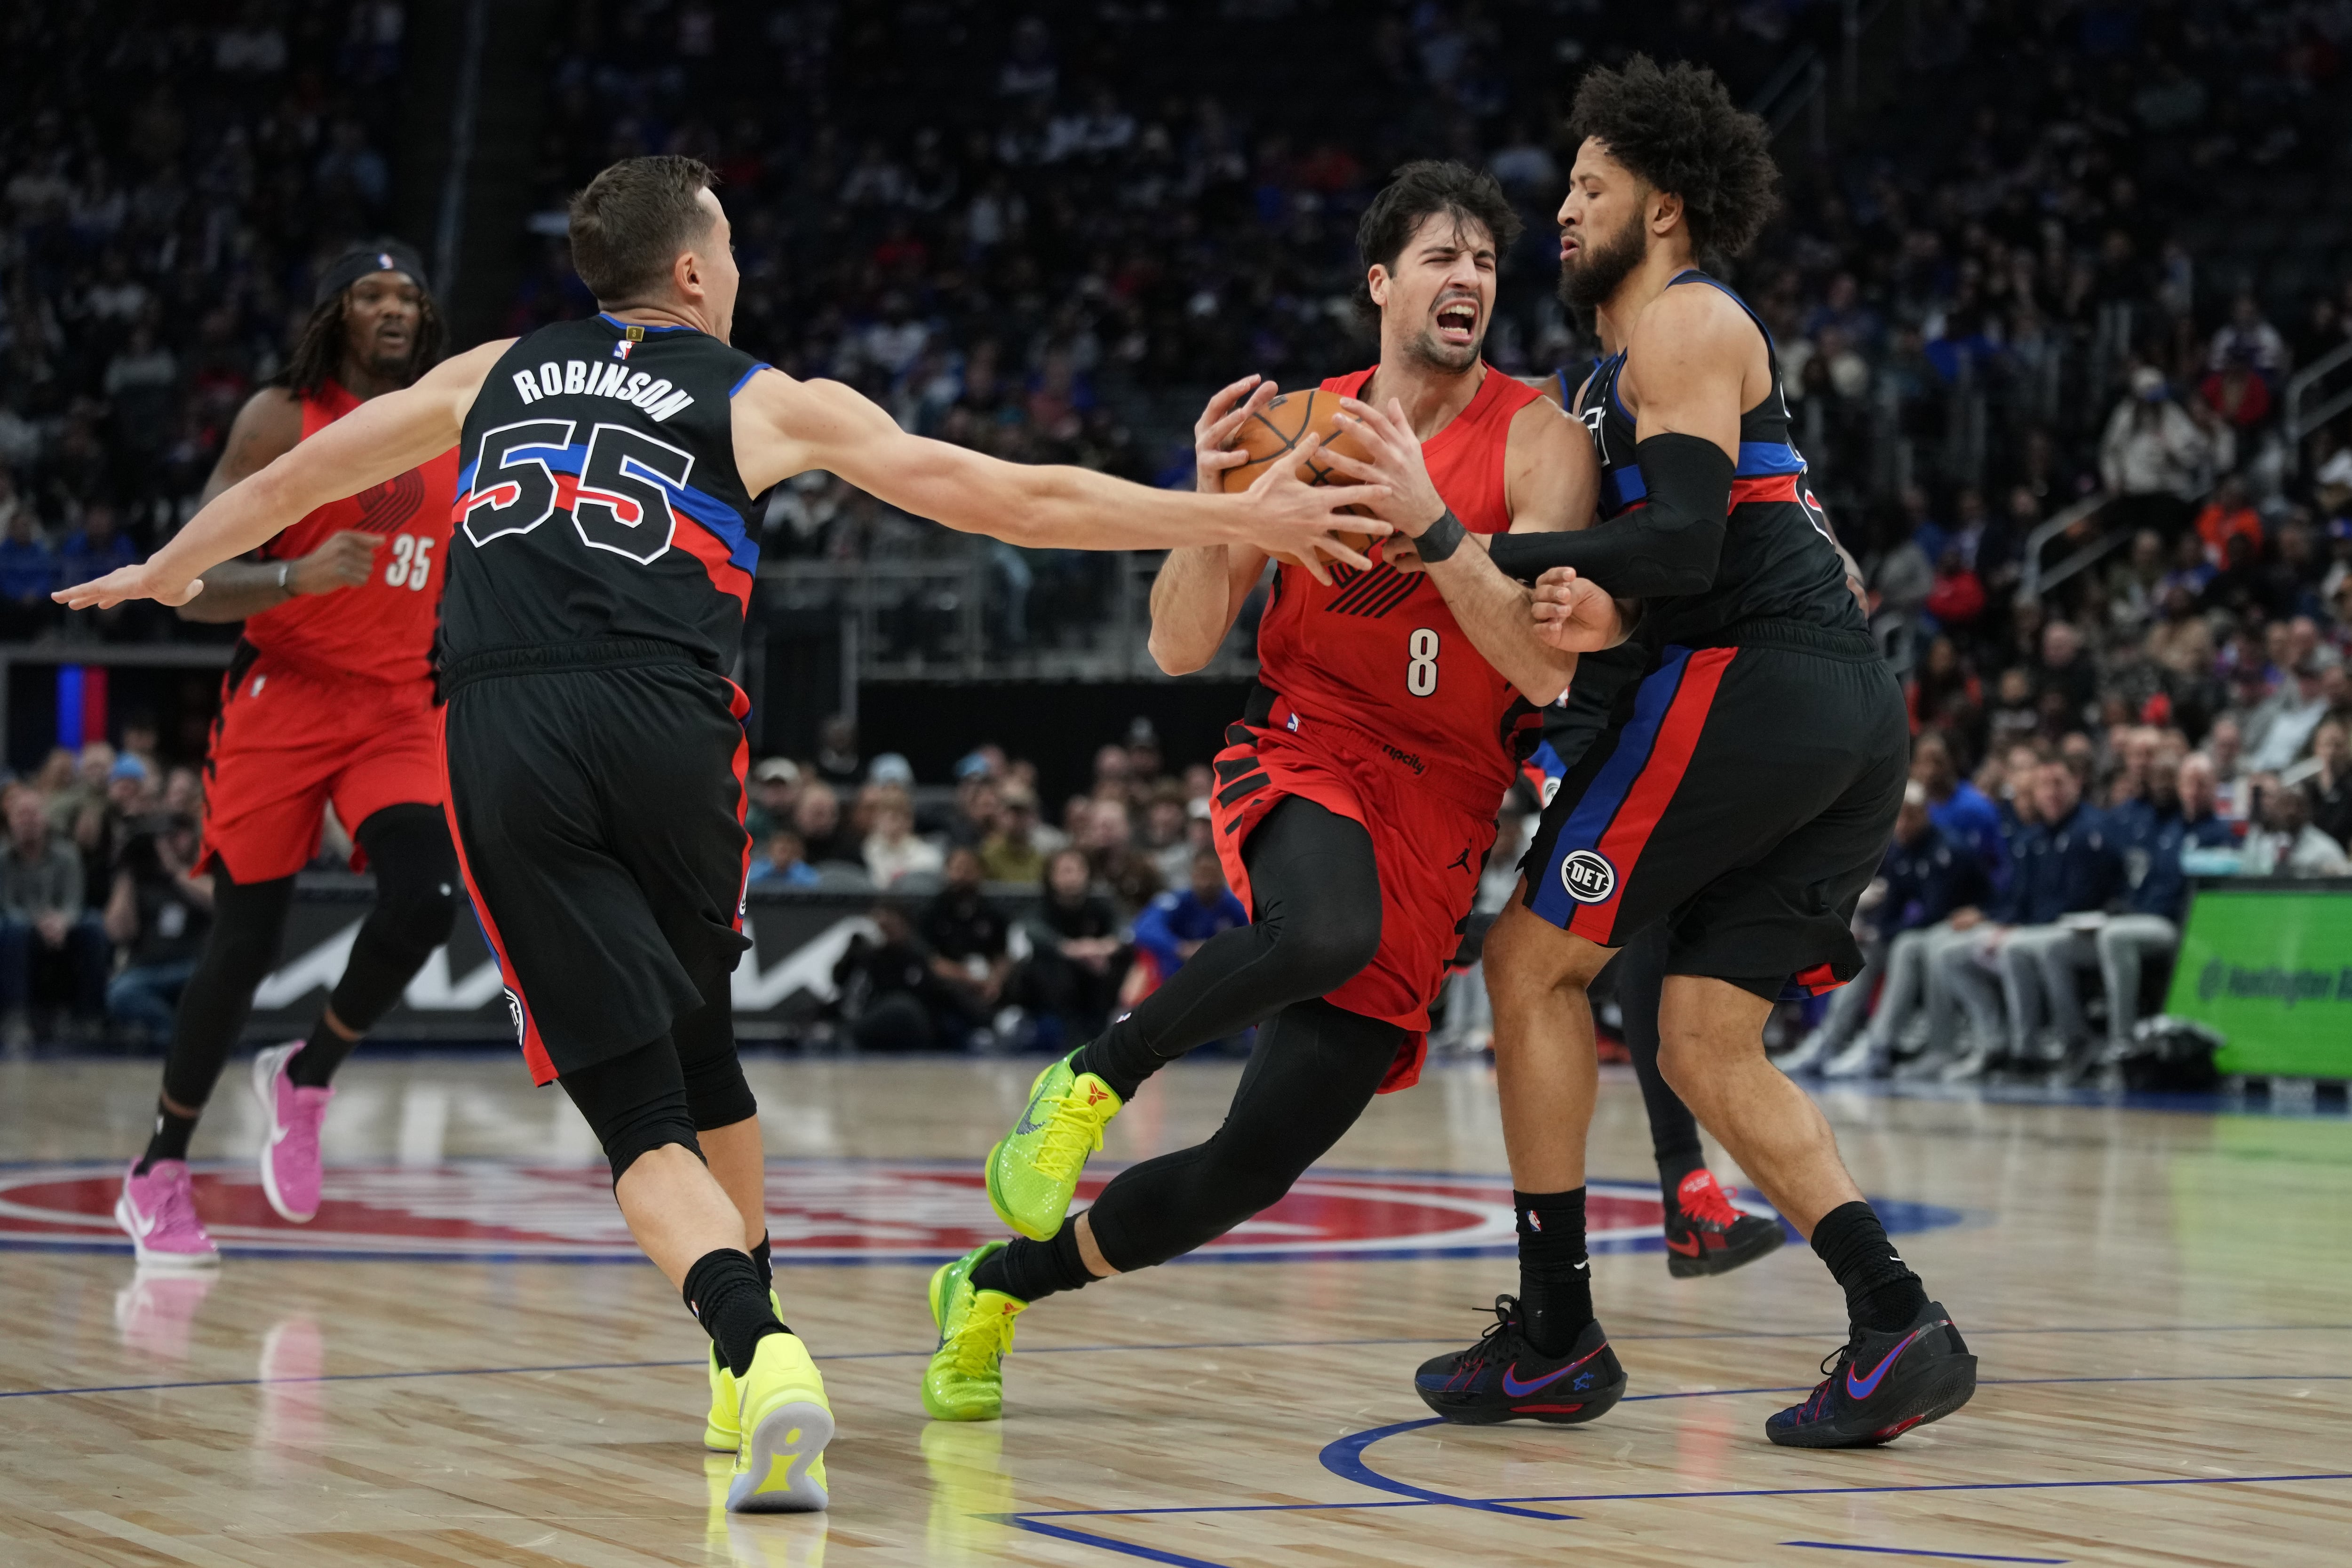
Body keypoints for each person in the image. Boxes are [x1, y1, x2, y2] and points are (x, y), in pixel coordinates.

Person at [59, 154, 1379, 1514]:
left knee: (641, 1118)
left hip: (512, 730)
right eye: (732, 248)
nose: (738, 270)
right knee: (703, 1051)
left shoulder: (491, 373)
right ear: (692, 270)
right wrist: (1236, 515)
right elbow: (1014, 497)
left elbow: (293, 478)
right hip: (677, 730)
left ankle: (757, 1345)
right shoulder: (763, 395)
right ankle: (744, 1355)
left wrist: (165, 568)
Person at [927, 159, 1595, 1426]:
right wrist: (1210, 506)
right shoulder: (1295, 427)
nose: (1468, 277)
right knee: (1323, 927)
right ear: (1381, 282)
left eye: (1485, 261)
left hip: (1447, 804)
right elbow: (1179, 644)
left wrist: (1434, 527)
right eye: (1441, 256)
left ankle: (994, 1287)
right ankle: (1088, 1081)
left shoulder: (1540, 439)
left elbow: (1543, 667)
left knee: (1252, 1165)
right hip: (1310, 743)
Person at [1418, 58, 1973, 1446]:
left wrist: (1460, 547)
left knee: (1526, 963)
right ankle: (1896, 1320)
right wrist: (1580, 599)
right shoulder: (1605, 382)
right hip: (1833, 708)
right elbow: (1657, 572)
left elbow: (1677, 543)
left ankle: (1555, 1334)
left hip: (1759, 680)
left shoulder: (1682, 319)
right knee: (1700, 1041)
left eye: (1589, 187)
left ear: (1662, 207)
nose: (1561, 211)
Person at [107, 242, 465, 1271]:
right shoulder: (279, 419)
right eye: (372, 294)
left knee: (427, 899)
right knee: (246, 945)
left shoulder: (450, 418)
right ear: (335, 311)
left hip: (398, 704)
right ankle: (159, 1170)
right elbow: (186, 580)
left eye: (408, 296)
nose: (394, 310)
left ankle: (306, 1075)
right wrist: (291, 579)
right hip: (286, 696)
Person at [1927, 760, 2122, 1081]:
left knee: (2015, 949)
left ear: (2076, 785)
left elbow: (2080, 900)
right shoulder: (2036, 838)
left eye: (2059, 784)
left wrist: (2012, 926)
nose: (2051, 793)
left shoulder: (2089, 831)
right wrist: (1997, 921)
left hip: (2081, 929)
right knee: (1949, 955)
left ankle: (2044, 1047)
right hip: (2034, 927)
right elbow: (2019, 899)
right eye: (2045, 787)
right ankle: (1993, 1042)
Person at [1784, 781, 1987, 1079]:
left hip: (1964, 924)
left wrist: (1884, 932)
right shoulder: (1900, 850)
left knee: (1905, 945)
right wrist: (1873, 931)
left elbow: (1935, 912)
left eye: (1910, 817)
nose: (1902, 825)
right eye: (1898, 817)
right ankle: (1830, 1039)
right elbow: (1893, 905)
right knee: (1862, 948)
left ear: (1925, 814)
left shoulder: (1948, 850)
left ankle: (1879, 1044)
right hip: (1927, 929)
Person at [103, 814, 214, 1039]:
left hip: (191, 966)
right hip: (147, 969)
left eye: (176, 835)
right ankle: (176, 1036)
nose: (171, 843)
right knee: (121, 992)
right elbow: (118, 932)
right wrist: (126, 873)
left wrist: (174, 870)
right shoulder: (138, 880)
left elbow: (215, 902)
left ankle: (179, 1038)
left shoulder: (201, 871)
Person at [1008, 846, 1126, 1052]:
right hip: (1056, 986)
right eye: (1065, 871)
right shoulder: (1040, 907)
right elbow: (1035, 933)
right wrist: (1073, 950)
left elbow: (1124, 932)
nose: (1072, 878)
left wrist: (1100, 948)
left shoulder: (1101, 906)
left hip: (1097, 975)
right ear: (1051, 877)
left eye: (1078, 870)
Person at [1126, 847, 1248, 998]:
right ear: (1193, 874)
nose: (1207, 883)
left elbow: (1252, 932)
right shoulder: (1176, 900)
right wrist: (1179, 947)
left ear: (1223, 875)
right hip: (1173, 980)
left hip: (1217, 981)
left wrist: (1215, 949)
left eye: (1212, 875)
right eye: (1202, 875)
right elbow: (1143, 928)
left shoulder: (1233, 906)